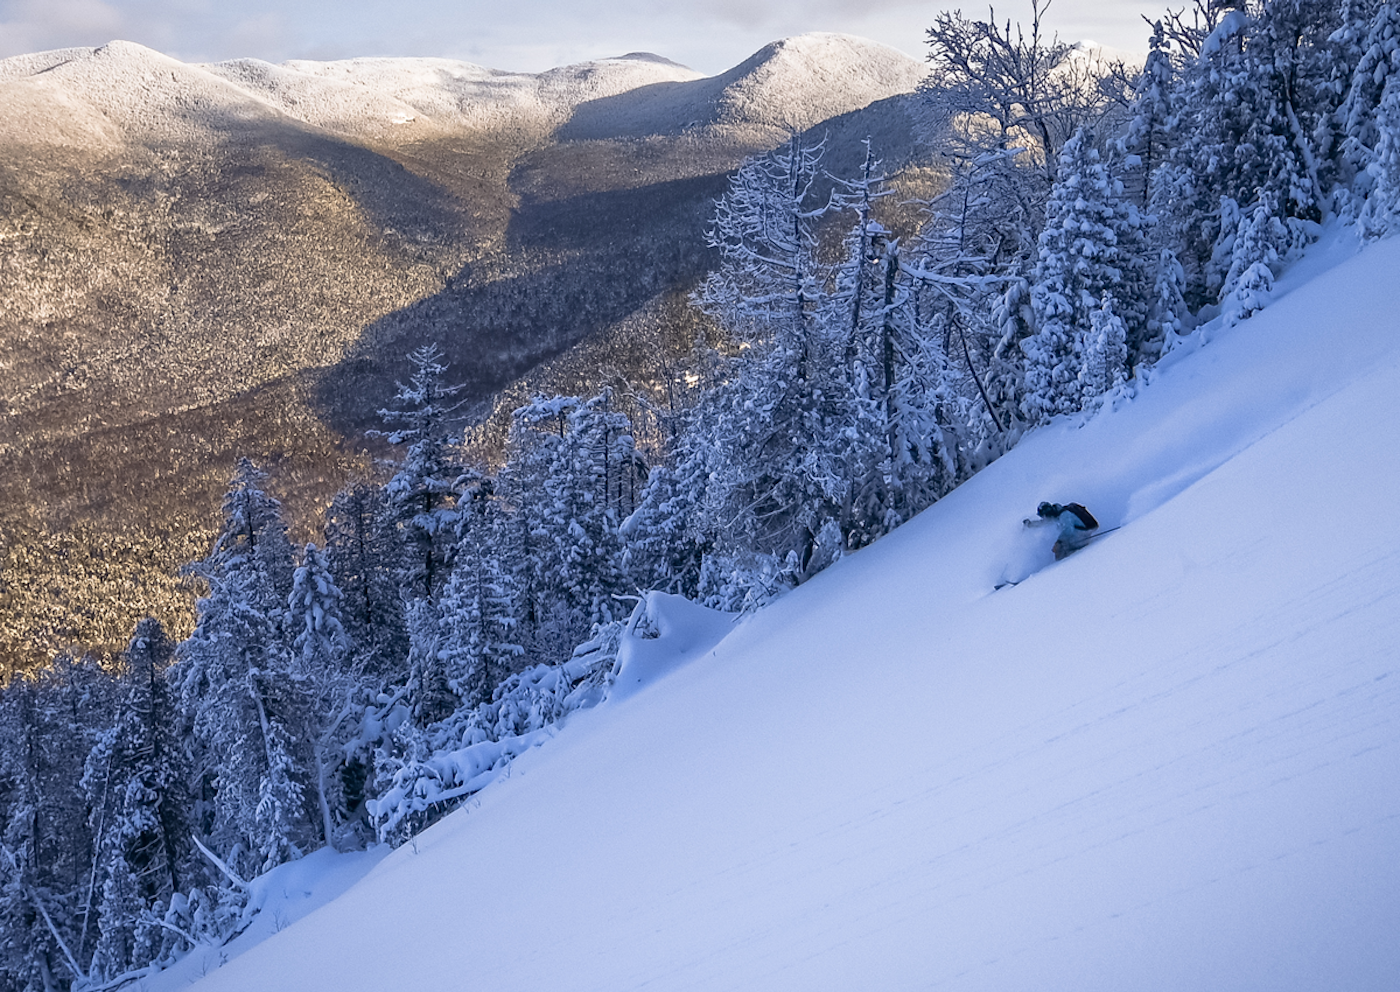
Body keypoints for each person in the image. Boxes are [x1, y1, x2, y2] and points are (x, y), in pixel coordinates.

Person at [1024, 501, 1099, 560]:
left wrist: (1058, 542)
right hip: (1079, 536)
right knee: (1060, 546)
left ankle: (1059, 566)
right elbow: (1044, 523)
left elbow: (1068, 530)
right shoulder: (1057, 514)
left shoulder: (1065, 515)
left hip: (1083, 537)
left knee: (1060, 548)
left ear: (1047, 513)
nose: (1045, 518)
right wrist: (1030, 524)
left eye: (1044, 516)